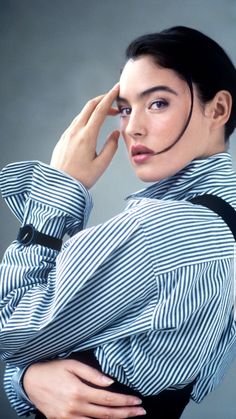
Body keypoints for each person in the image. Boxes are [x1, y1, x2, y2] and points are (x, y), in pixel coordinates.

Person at [0, 25, 236, 419]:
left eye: (158, 103)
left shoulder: (166, 229)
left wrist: (62, 188)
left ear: (218, 109)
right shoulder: (222, 223)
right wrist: (29, 379)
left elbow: (9, 327)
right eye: (125, 109)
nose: (132, 128)